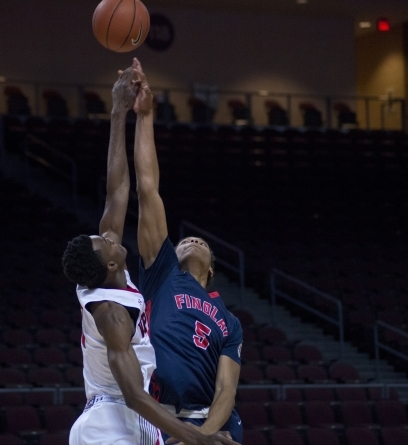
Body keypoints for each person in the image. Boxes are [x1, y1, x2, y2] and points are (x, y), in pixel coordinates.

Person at [62, 63, 239, 445]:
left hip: (140, 421)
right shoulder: (113, 311)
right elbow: (134, 395)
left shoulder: (110, 275)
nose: (111, 236)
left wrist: (119, 111)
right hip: (117, 416)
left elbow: (116, 190)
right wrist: (199, 439)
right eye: (106, 242)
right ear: (110, 262)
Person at [131, 58, 244, 444]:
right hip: (156, 416)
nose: (192, 240)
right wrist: (145, 119)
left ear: (211, 269)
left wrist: (202, 437)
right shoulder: (163, 274)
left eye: (202, 243)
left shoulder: (229, 321)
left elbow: (226, 391)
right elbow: (148, 189)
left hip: (205, 423)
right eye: (184, 240)